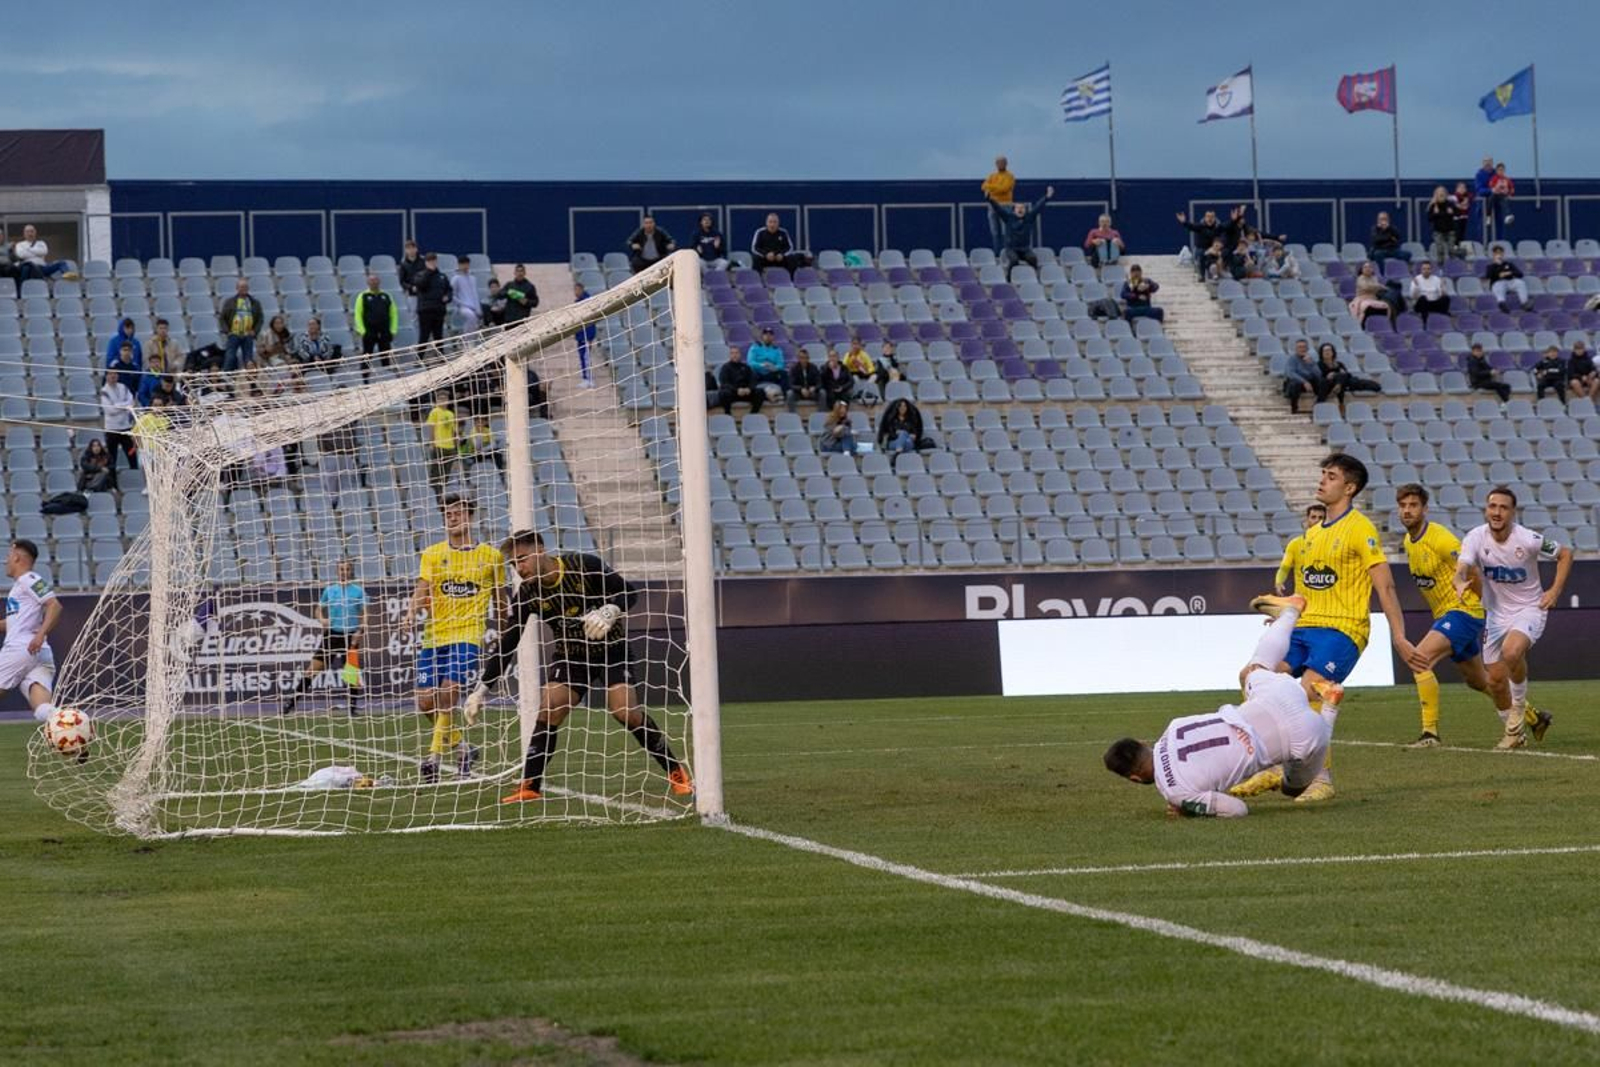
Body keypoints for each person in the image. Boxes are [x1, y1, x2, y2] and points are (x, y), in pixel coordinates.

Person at [1228, 454, 1414, 803]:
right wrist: (1285, 620)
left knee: (1309, 691)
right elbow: (1309, 590)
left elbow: (1385, 586)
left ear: (1349, 487)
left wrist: (1399, 636)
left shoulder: (1361, 529)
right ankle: (1271, 763)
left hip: (1342, 629)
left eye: (1330, 476)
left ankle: (1320, 780)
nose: (1322, 480)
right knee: (1251, 675)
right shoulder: (1311, 535)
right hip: (1305, 627)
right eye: (1323, 474)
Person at [467, 529, 692, 803]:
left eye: (522, 559)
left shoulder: (584, 565)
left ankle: (675, 771)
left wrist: (610, 611)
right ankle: (529, 786)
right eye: (514, 564)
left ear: (540, 550)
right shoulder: (527, 593)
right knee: (550, 709)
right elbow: (508, 642)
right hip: (570, 655)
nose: (519, 568)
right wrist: (481, 689)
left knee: (626, 713)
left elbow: (628, 593)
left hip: (611, 649)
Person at [1103, 598, 1343, 817]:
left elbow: (1238, 809)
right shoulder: (1173, 727)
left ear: (1134, 778)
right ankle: (1290, 613)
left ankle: (1329, 707)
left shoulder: (1176, 792)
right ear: (1143, 743)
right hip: (1276, 696)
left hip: (1301, 736)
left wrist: (1189, 809)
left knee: (1293, 788)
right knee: (1256, 668)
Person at [1454, 487, 1571, 749]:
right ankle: (1517, 732)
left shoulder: (1528, 539)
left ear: (1512, 512)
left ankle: (1519, 707)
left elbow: (1565, 554)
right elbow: (1461, 567)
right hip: (1496, 614)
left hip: (1529, 608)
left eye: (1503, 507)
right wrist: (1460, 581)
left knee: (1512, 651)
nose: (1496, 512)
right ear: (1486, 509)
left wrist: (1554, 590)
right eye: (1492, 506)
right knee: (1494, 682)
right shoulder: (1475, 537)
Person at [1393, 484, 1508, 748]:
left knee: (1419, 659)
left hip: (1462, 612)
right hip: (1448, 614)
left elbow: (1473, 572)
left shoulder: (1441, 539)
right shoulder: (1409, 542)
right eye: (1403, 506)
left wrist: (1473, 604)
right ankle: (1532, 717)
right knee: (1479, 681)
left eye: (1413, 505)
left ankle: (1430, 734)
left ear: (1425, 509)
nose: (1407, 510)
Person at [407, 494, 504, 783]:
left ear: (470, 517)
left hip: (467, 635)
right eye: (448, 514)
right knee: (425, 703)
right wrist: (411, 613)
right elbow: (422, 588)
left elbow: (501, 600)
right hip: (434, 636)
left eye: (458, 513)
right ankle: (463, 748)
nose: (452, 518)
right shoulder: (432, 554)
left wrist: (506, 627)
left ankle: (432, 759)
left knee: (449, 692)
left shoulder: (491, 556)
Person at [282, 558, 368, 718]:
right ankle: (291, 703)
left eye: (347, 569)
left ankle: (352, 709)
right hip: (332, 636)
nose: (344, 572)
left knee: (351, 674)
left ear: (351, 572)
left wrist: (360, 631)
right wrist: (321, 619)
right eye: (341, 569)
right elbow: (318, 609)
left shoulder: (358, 591)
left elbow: (364, 614)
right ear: (337, 571)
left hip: (350, 636)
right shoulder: (330, 590)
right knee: (311, 671)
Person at [0, 539, 65, 731]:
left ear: (17, 557)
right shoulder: (20, 587)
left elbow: (55, 605)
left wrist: (41, 634)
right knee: (43, 709)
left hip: (22, 648)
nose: (6, 562)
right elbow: (13, 623)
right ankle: (74, 731)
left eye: (8, 557)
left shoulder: (29, 579)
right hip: (39, 653)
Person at [988, 185, 1053, 278]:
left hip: (1025, 249)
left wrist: (1047, 197)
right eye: (1018, 208)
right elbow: (998, 209)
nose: (1020, 209)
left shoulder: (1029, 218)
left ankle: (1035, 277)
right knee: (1014, 260)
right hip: (1011, 249)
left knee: (1033, 259)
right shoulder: (1008, 218)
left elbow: (1038, 207)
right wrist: (990, 199)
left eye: (1022, 208)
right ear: (1014, 211)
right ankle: (1009, 278)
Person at [1176, 206, 1244, 280]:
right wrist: (1184, 222)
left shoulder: (1218, 227)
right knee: (1202, 254)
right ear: (1205, 217)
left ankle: (1223, 271)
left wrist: (1234, 220)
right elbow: (1191, 226)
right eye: (1208, 216)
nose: (1210, 219)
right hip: (1202, 249)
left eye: (1212, 217)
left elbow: (1227, 225)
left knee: (1226, 252)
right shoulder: (1201, 227)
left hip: (1215, 249)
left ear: (1215, 218)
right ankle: (1202, 275)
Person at [1273, 503, 1326, 595]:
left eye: (1321, 518)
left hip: (1327, 597)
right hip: (1303, 598)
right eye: (1313, 517)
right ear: (1307, 520)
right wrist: (1279, 582)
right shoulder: (1295, 544)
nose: (1317, 521)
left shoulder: (1335, 544)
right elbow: (1284, 568)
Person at [1316, 342, 1380, 412]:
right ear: (1321, 353)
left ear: (1333, 352)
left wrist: (1336, 374)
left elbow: (1347, 375)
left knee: (1344, 377)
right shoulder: (1319, 365)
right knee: (1339, 377)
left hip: (1342, 383)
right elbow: (1318, 377)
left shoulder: (1339, 364)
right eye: (1325, 350)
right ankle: (1341, 401)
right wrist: (1328, 375)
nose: (1327, 352)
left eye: (1329, 350)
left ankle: (1339, 387)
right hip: (1328, 384)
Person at [217, 278, 263, 373]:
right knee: (230, 357)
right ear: (237, 288)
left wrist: (255, 331)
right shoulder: (229, 302)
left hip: (248, 335)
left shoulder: (254, 303)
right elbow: (222, 318)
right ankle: (226, 378)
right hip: (234, 334)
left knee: (248, 358)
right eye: (241, 287)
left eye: (245, 287)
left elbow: (260, 318)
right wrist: (228, 331)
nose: (244, 289)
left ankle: (250, 380)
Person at [352, 274, 398, 365]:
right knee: (367, 356)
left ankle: (387, 373)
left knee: (385, 355)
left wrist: (393, 330)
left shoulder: (386, 296)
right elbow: (358, 314)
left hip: (384, 331)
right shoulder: (363, 296)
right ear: (368, 283)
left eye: (375, 280)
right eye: (371, 281)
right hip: (369, 331)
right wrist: (362, 331)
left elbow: (393, 314)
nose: (374, 282)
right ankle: (365, 376)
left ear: (379, 282)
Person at [100, 369, 138, 474]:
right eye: (110, 374)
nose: (113, 376)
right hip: (112, 429)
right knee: (112, 457)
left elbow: (131, 402)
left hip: (126, 426)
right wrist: (124, 406)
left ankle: (135, 477)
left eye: (115, 374)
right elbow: (110, 410)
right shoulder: (104, 391)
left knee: (132, 454)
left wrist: (117, 405)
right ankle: (113, 484)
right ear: (106, 376)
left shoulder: (123, 387)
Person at [413, 252, 452, 345]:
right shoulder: (420, 275)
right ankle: (420, 357)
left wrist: (448, 297)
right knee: (424, 337)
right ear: (426, 263)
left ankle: (440, 357)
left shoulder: (442, 276)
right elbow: (421, 285)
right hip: (425, 310)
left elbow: (449, 290)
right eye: (429, 261)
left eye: (434, 261)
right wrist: (429, 272)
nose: (432, 263)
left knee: (438, 337)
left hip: (439, 309)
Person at [424, 392, 459, 493]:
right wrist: (432, 443)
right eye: (440, 399)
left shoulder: (451, 414)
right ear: (436, 401)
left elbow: (453, 431)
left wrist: (455, 447)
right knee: (435, 472)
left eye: (445, 399)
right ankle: (433, 494)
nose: (443, 401)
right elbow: (432, 428)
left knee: (446, 473)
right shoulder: (435, 412)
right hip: (439, 446)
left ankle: (441, 494)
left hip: (450, 447)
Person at [981, 156, 1016, 253]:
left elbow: (1004, 189)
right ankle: (997, 254)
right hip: (993, 205)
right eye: (998, 163)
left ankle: (1007, 253)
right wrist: (996, 188)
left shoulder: (1010, 176)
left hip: (1006, 205)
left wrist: (991, 189)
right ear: (996, 164)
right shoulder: (992, 176)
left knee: (1006, 232)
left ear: (1006, 163)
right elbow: (983, 186)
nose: (1000, 164)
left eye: (1002, 162)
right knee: (995, 232)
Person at [1281, 339, 1324, 415]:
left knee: (1322, 382)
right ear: (1296, 349)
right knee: (1295, 384)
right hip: (1298, 382)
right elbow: (1290, 373)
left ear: (1307, 348)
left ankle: (1319, 404)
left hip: (1310, 383)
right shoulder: (1292, 359)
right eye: (1300, 347)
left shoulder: (1310, 359)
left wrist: (1311, 364)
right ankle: (1294, 407)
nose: (1302, 349)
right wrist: (1304, 382)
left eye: (1304, 347)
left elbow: (1319, 374)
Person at [716, 346, 763, 414]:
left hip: (746, 392)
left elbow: (753, 380)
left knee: (760, 392)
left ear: (740, 355)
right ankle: (728, 413)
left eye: (736, 353)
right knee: (723, 394)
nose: (735, 355)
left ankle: (753, 413)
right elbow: (724, 383)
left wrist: (749, 389)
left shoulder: (746, 367)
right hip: (733, 393)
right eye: (732, 353)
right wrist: (736, 390)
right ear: (729, 355)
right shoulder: (725, 367)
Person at [746, 327, 787, 394]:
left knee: (783, 373)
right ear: (762, 336)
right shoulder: (755, 347)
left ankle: (784, 395)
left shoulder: (777, 349)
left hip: (771, 373)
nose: (768, 337)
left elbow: (781, 364)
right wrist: (762, 365)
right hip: (758, 373)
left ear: (773, 337)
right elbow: (750, 362)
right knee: (750, 373)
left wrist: (774, 368)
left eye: (770, 335)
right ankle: (753, 394)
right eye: (766, 335)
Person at [1408, 260, 1450, 327]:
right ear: (1421, 270)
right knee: (1423, 298)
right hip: (1421, 304)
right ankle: (1425, 323)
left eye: (1428, 269)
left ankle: (1444, 320)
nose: (1426, 271)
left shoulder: (1436, 279)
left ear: (1431, 270)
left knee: (1446, 298)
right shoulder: (1416, 279)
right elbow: (1413, 297)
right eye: (1424, 269)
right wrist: (1416, 286)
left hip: (1433, 303)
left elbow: (1441, 295)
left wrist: (1442, 286)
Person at [1485, 246, 1527, 311]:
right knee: (1499, 286)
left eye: (1500, 253)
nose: (1499, 255)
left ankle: (1524, 303)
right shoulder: (1491, 266)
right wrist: (1497, 265)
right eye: (1496, 253)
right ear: (1493, 254)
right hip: (1498, 283)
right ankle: (1502, 303)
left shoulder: (1509, 264)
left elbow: (1520, 274)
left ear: (1503, 254)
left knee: (1520, 283)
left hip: (1510, 282)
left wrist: (1509, 273)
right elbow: (1488, 276)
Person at [572, 280, 597, 387]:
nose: (575, 292)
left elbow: (590, 320)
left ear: (581, 289)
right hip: (581, 334)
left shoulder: (586, 302)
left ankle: (588, 379)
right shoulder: (578, 301)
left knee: (586, 357)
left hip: (586, 334)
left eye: (577, 289)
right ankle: (585, 377)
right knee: (583, 356)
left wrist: (590, 336)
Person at [1426, 187, 1459, 263]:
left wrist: (1452, 213)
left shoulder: (1450, 204)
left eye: (1443, 192)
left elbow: (1457, 213)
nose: (1441, 194)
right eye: (1439, 193)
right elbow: (1429, 219)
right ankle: (1441, 266)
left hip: (1450, 230)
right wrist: (1435, 214)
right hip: (1438, 231)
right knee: (1440, 250)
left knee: (1451, 249)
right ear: (1436, 195)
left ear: (1446, 194)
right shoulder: (1433, 205)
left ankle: (1453, 265)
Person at [786, 348, 823, 413]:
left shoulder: (813, 367)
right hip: (799, 393)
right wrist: (800, 389)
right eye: (802, 358)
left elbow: (820, 382)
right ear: (798, 359)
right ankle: (793, 415)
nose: (804, 360)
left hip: (811, 392)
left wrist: (814, 388)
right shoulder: (794, 368)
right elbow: (790, 384)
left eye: (806, 358)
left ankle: (821, 414)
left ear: (808, 358)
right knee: (789, 394)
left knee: (822, 393)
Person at [397, 238, 425, 326]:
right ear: (406, 251)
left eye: (413, 248)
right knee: (414, 317)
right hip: (412, 295)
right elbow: (402, 282)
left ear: (416, 249)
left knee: (425, 316)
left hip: (424, 293)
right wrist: (411, 287)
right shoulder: (403, 265)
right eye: (408, 249)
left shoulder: (423, 262)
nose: (411, 250)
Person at [451, 256, 481, 334]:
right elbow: (452, 295)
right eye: (463, 264)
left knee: (475, 317)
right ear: (459, 265)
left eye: (467, 264)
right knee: (471, 316)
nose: (465, 266)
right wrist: (461, 304)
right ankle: (467, 340)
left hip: (473, 306)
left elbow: (475, 294)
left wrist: (478, 308)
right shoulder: (456, 279)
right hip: (462, 307)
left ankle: (472, 339)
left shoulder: (472, 278)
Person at [1473, 156, 1497, 242]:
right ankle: (1483, 246)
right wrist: (1491, 190)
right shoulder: (1479, 175)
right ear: (1482, 163)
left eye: (1489, 161)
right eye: (1486, 161)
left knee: (1497, 226)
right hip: (1483, 206)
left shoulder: (1496, 174)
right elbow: (1479, 190)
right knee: (1483, 227)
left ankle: (1498, 247)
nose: (1488, 163)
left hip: (1496, 205)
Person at [1487, 163, 1515, 235]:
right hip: (1495, 195)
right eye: (1499, 170)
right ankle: (1488, 216)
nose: (1501, 171)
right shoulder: (1494, 178)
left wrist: (1510, 193)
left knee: (1504, 202)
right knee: (1490, 200)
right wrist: (1496, 189)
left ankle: (1507, 215)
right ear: (1496, 171)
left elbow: (1512, 189)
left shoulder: (1507, 179)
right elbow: (1491, 186)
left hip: (1503, 196)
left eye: (1502, 170)